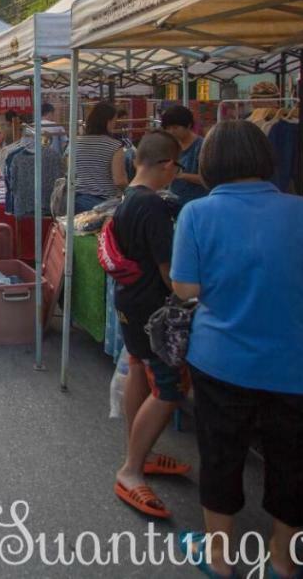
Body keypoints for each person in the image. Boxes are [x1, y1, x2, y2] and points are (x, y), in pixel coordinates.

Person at [169, 120, 303, 579]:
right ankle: (283, 561)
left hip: (222, 359)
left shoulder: (197, 214)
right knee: (297, 462)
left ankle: (218, 558)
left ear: (209, 164)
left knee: (222, 455)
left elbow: (185, 287)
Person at [109, 131, 192, 521]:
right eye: (177, 165)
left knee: (139, 368)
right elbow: (169, 272)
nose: (177, 173)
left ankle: (136, 450)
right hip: (154, 310)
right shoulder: (154, 208)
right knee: (170, 388)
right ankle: (131, 468)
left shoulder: (128, 198)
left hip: (130, 302)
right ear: (164, 164)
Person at [72, 101, 129, 213]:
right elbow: (119, 180)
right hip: (103, 205)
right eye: (114, 121)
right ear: (108, 122)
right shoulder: (115, 146)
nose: (114, 124)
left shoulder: (74, 143)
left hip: (76, 201)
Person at [159, 105, 208, 206]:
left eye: (175, 127)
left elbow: (208, 179)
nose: (171, 131)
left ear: (189, 125)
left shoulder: (202, 147)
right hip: (173, 202)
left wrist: (181, 175)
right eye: (168, 128)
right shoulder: (170, 145)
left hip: (197, 204)